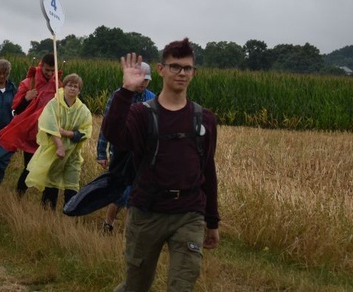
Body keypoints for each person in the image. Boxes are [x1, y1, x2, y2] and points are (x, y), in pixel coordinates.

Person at [104, 40, 220, 291]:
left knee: (182, 286)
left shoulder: (205, 119)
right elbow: (114, 135)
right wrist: (125, 91)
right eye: (175, 67)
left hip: (189, 214)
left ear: (194, 72)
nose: (181, 73)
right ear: (160, 69)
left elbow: (208, 171)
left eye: (187, 68)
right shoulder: (141, 114)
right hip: (147, 211)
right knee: (137, 286)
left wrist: (212, 221)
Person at [97, 61, 155, 233]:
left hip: (142, 155)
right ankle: (108, 223)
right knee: (120, 192)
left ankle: (130, 233)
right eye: (141, 79)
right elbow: (107, 125)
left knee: (135, 195)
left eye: (146, 80)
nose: (143, 83)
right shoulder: (119, 97)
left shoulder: (152, 98)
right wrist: (101, 152)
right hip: (120, 153)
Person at [25, 73, 92, 210]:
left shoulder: (83, 110)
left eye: (76, 86)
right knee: (52, 181)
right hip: (55, 151)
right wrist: (59, 145)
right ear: (64, 86)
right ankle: (47, 213)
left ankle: (70, 214)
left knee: (72, 183)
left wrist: (67, 133)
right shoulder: (54, 104)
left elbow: (85, 131)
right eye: (69, 85)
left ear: (79, 90)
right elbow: (48, 125)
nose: (72, 89)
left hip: (73, 153)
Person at [0, 53, 60, 193]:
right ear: (41, 65)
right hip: (30, 132)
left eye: (52, 70)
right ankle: (19, 196)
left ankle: (46, 204)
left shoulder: (57, 85)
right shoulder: (28, 83)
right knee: (29, 167)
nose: (49, 73)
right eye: (47, 70)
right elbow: (17, 110)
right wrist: (26, 98)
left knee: (50, 168)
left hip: (49, 132)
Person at [0, 59, 17, 183]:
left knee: (3, 161)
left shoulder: (12, 88)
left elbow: (17, 107)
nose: (1, 76)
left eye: (4, 74)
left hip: (7, 130)